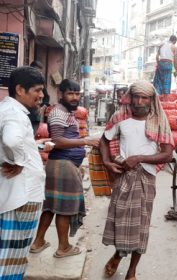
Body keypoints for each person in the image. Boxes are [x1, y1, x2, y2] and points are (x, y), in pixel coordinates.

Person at [99, 81, 174, 280]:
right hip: (123, 176)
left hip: (145, 178)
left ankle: (131, 272)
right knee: (121, 222)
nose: (139, 102)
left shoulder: (158, 120)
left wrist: (139, 158)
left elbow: (167, 154)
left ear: (151, 100)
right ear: (130, 97)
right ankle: (117, 254)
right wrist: (107, 161)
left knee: (141, 226)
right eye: (136, 97)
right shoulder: (119, 117)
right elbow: (104, 140)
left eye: (145, 98)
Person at [30, 79, 99, 257]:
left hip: (60, 165)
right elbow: (58, 141)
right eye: (70, 93)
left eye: (77, 94)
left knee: (51, 206)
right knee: (64, 208)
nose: (75, 97)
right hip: (63, 165)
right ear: (61, 94)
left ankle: (38, 242)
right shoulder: (58, 113)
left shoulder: (66, 112)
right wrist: (86, 141)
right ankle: (63, 247)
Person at [0, 66, 46, 279]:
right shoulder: (14, 113)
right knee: (13, 254)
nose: (41, 95)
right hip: (23, 197)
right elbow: (11, 140)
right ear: (20, 89)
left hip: (17, 194)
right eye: (37, 90)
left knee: (10, 253)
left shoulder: (7, 110)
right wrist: (18, 161)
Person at [28, 61, 50, 134]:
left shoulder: (41, 83)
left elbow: (46, 97)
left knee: (33, 134)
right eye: (36, 71)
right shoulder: (24, 81)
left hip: (35, 114)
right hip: (24, 112)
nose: (38, 73)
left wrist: (42, 107)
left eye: (40, 71)